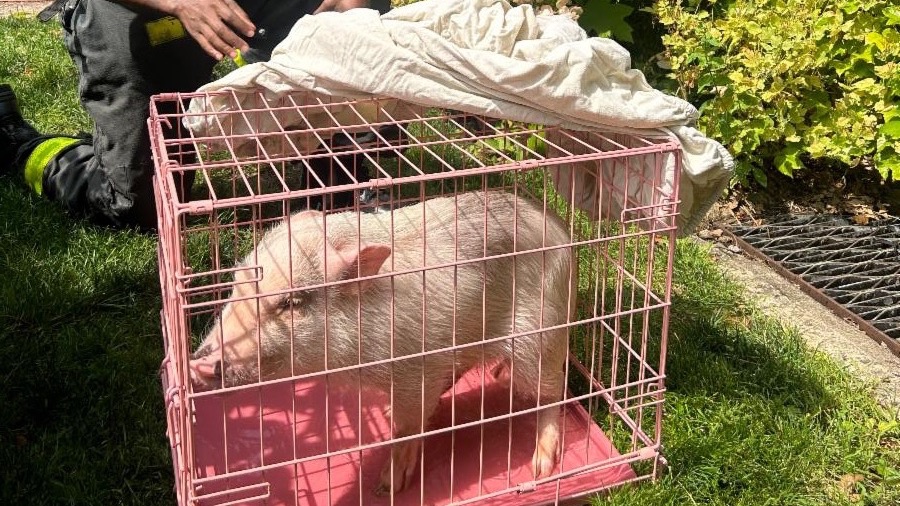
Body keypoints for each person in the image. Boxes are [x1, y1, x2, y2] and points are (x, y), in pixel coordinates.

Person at [0, 0, 390, 231]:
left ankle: (339, 183)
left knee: (354, 19)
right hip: (143, 10)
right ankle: (23, 145)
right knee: (145, 205)